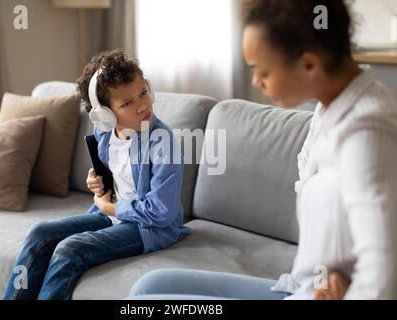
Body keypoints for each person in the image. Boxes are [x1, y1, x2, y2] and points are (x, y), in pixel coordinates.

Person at [129, 0, 397, 300]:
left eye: (261, 70)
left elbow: (383, 275)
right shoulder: (327, 111)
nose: (256, 81)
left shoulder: (367, 132)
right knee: (149, 287)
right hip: (299, 288)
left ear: (309, 64)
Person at [2, 49, 191, 300]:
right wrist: (97, 181)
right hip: (108, 214)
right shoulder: (105, 133)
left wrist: (112, 208)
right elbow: (116, 173)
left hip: (149, 227)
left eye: (142, 92)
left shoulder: (162, 141)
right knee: (40, 234)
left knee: (70, 249)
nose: (143, 105)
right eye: (127, 103)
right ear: (106, 115)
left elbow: (161, 211)